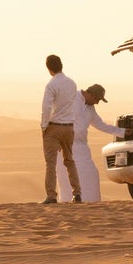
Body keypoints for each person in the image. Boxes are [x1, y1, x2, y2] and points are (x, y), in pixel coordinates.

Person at [57, 82, 125, 202]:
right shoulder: (71, 98)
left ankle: (91, 203)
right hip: (65, 145)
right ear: (92, 95)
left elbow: (100, 125)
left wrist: (122, 132)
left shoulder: (90, 109)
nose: (97, 103)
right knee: (66, 177)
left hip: (81, 148)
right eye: (97, 99)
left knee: (91, 174)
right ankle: (67, 203)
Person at [39, 54, 82, 204]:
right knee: (69, 160)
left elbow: (46, 107)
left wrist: (44, 126)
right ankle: (77, 193)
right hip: (69, 127)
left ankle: (51, 195)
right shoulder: (72, 83)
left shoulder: (51, 85)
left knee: (50, 163)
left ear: (49, 69)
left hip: (54, 126)